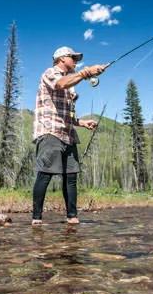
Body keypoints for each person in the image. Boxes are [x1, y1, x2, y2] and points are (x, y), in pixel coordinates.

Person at [31, 46, 105, 225]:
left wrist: (82, 123)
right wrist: (86, 72)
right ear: (62, 58)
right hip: (49, 132)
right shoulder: (49, 73)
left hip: (68, 134)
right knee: (45, 174)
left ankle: (72, 217)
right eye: (73, 58)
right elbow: (60, 84)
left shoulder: (71, 86)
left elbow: (67, 114)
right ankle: (36, 218)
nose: (76, 61)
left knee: (71, 177)